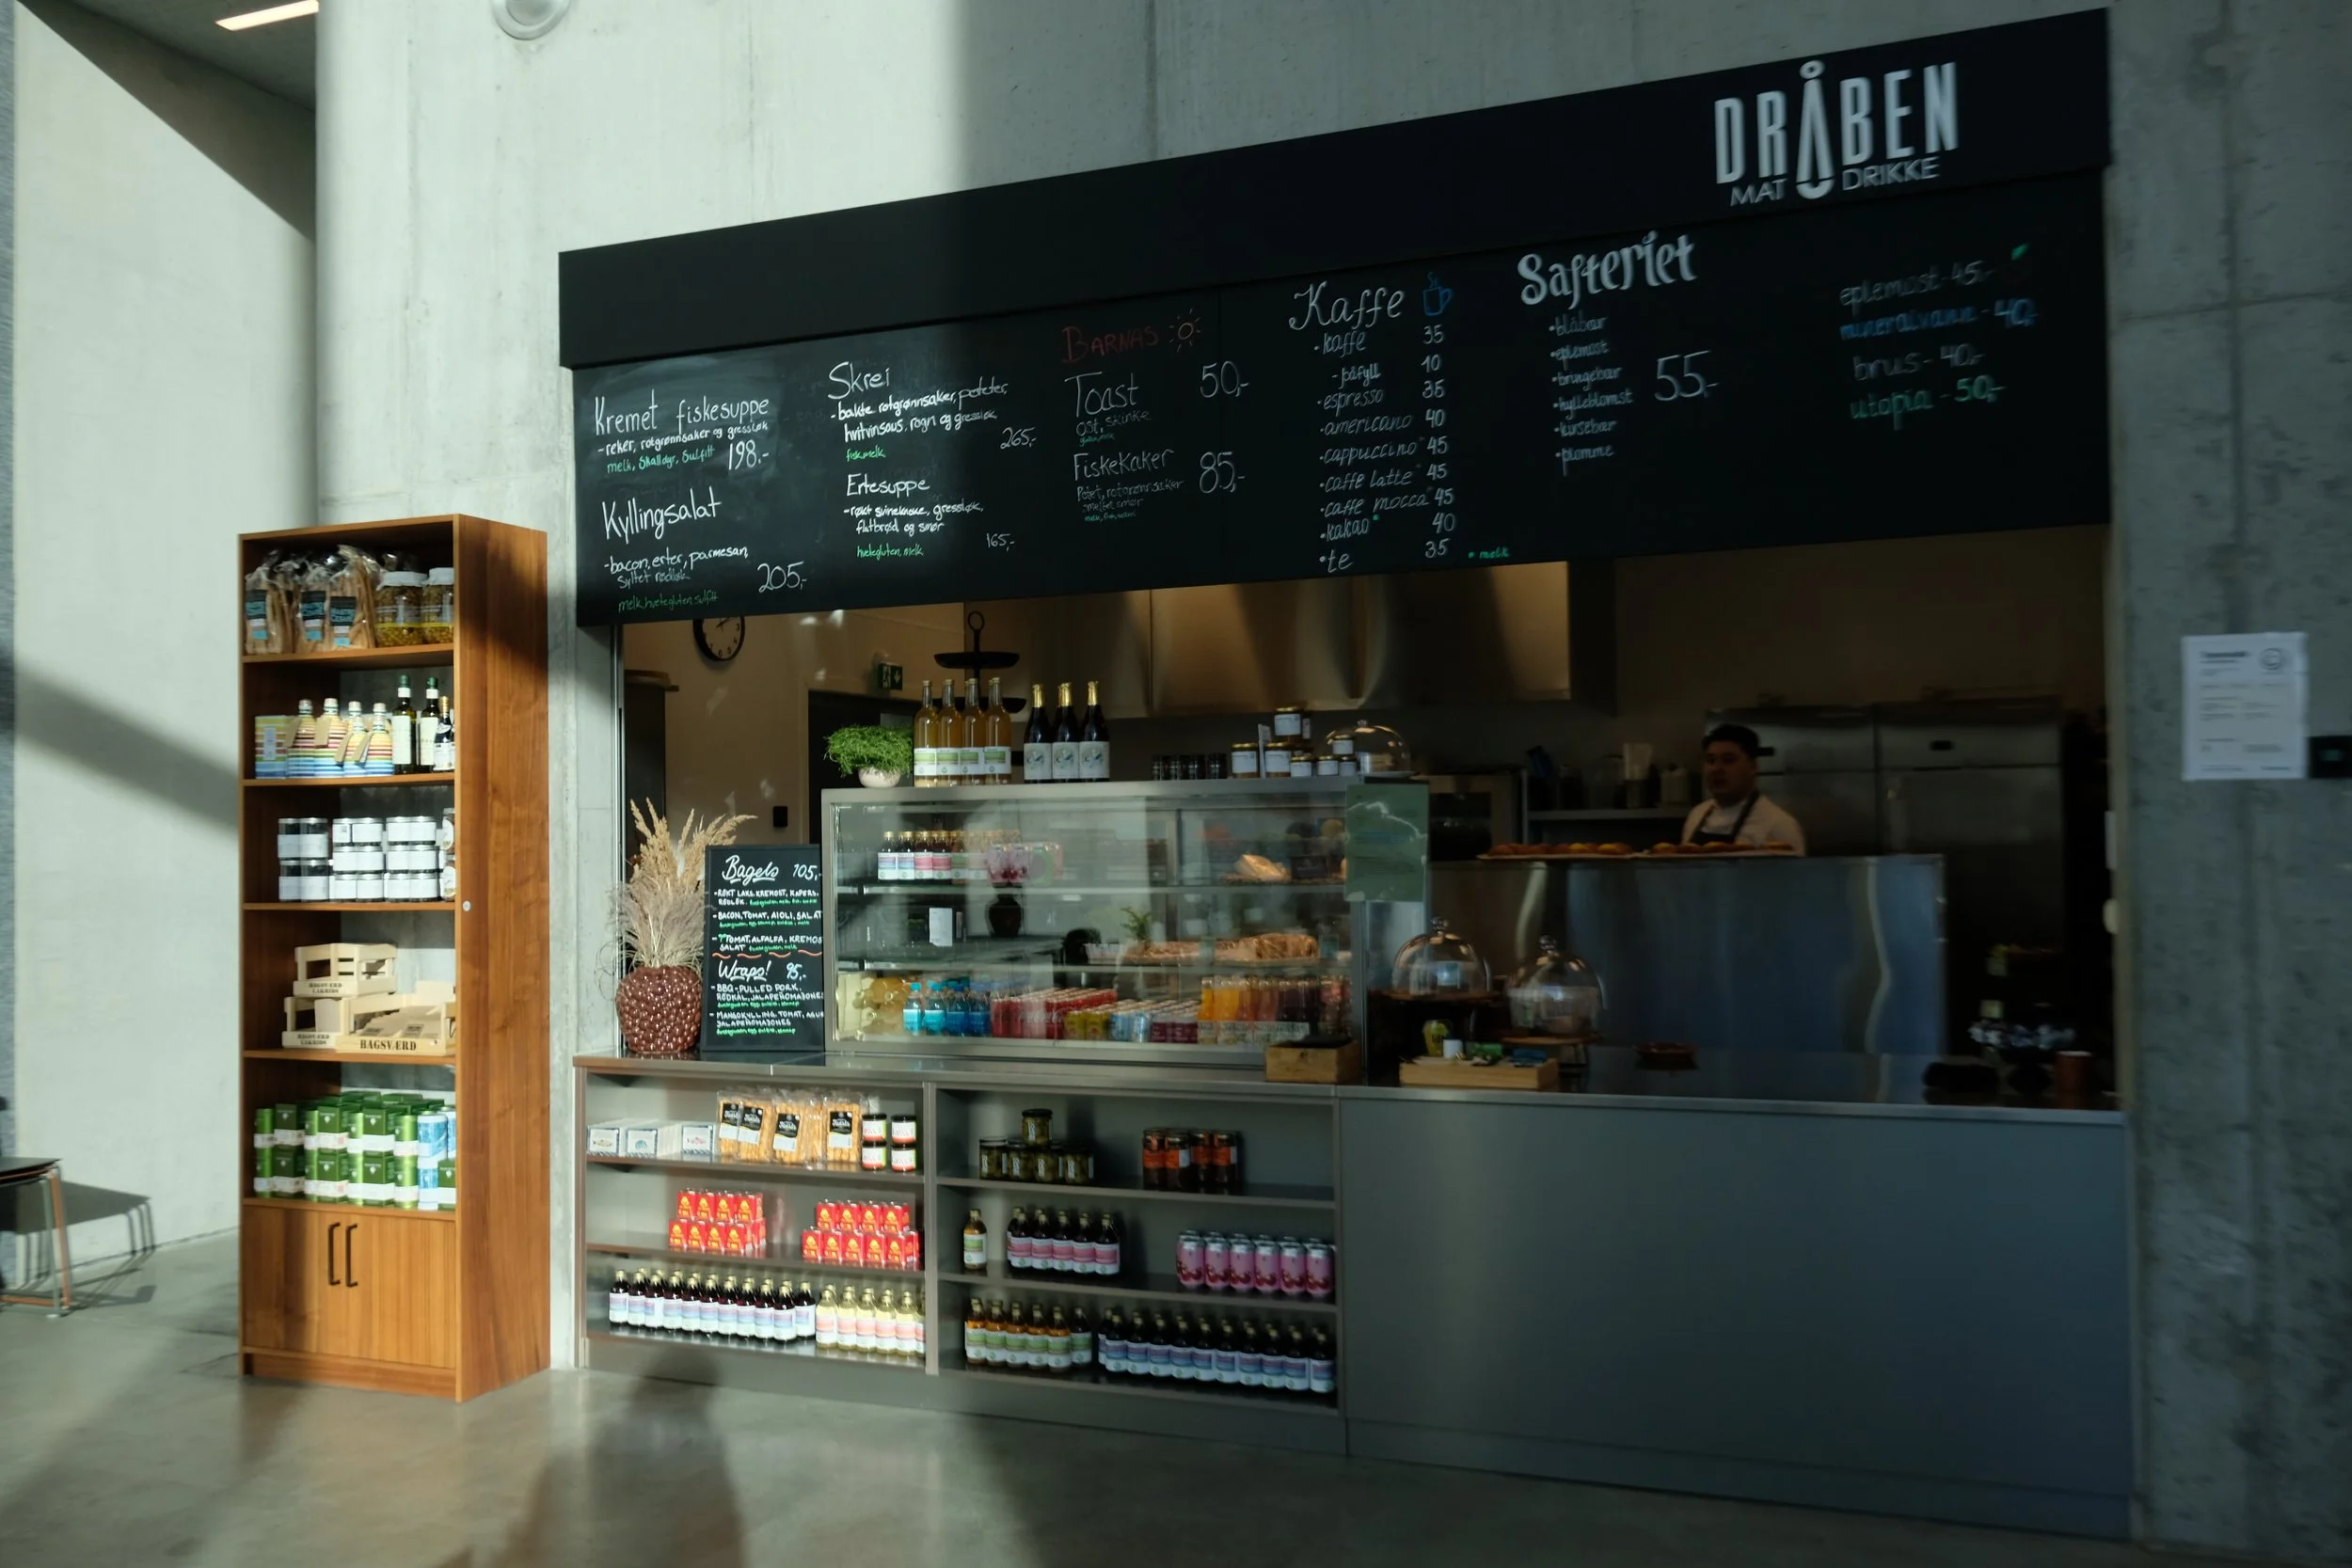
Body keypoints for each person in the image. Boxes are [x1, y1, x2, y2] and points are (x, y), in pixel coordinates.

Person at [1679, 724, 1805, 852]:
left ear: (1753, 766)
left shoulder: (1779, 825)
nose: (1716, 769)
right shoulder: (1697, 814)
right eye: (1711, 760)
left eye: (1728, 760)